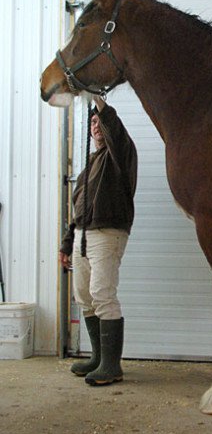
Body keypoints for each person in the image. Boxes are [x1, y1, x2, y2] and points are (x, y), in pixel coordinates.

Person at [59, 97, 137, 386]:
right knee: (84, 296)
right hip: (83, 234)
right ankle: (98, 357)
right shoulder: (88, 167)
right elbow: (77, 208)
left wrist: (99, 103)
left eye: (99, 121)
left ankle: (112, 366)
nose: (96, 126)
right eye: (92, 122)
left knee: (102, 293)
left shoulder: (121, 154)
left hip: (107, 232)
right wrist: (67, 244)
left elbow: (113, 128)